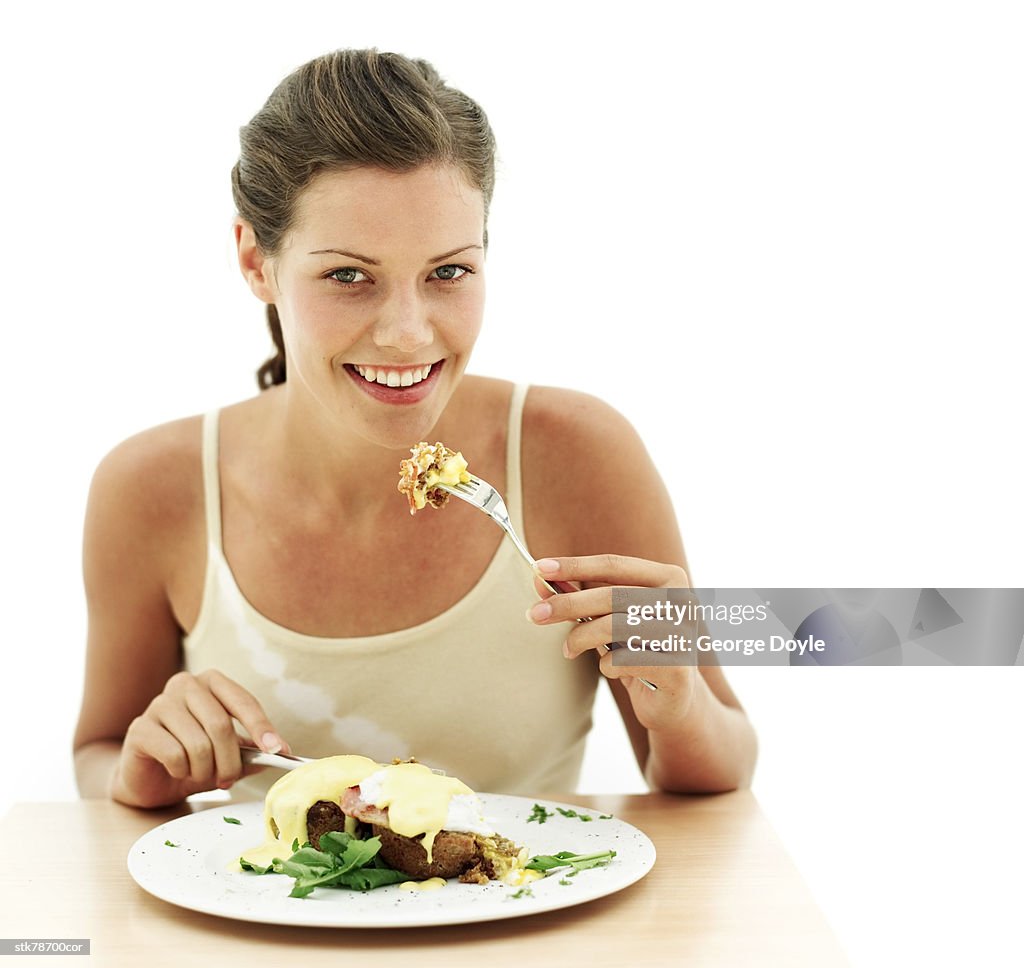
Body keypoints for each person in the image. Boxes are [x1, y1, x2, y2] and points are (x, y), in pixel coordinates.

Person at [72, 49, 757, 809]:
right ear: (255, 262)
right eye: (347, 276)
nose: (406, 334)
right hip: (267, 928)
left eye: (449, 272)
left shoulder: (579, 455)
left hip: (530, 918)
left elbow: (721, 764)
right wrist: (137, 772)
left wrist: (682, 705)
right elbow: (98, 751)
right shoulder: (152, 487)